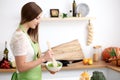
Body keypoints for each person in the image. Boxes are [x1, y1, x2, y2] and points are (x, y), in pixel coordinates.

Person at [10, 2, 54, 80]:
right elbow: (21, 67)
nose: (39, 22)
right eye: (37, 18)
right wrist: (43, 58)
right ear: (28, 16)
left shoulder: (28, 34)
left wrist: (49, 67)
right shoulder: (20, 37)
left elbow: (34, 60)